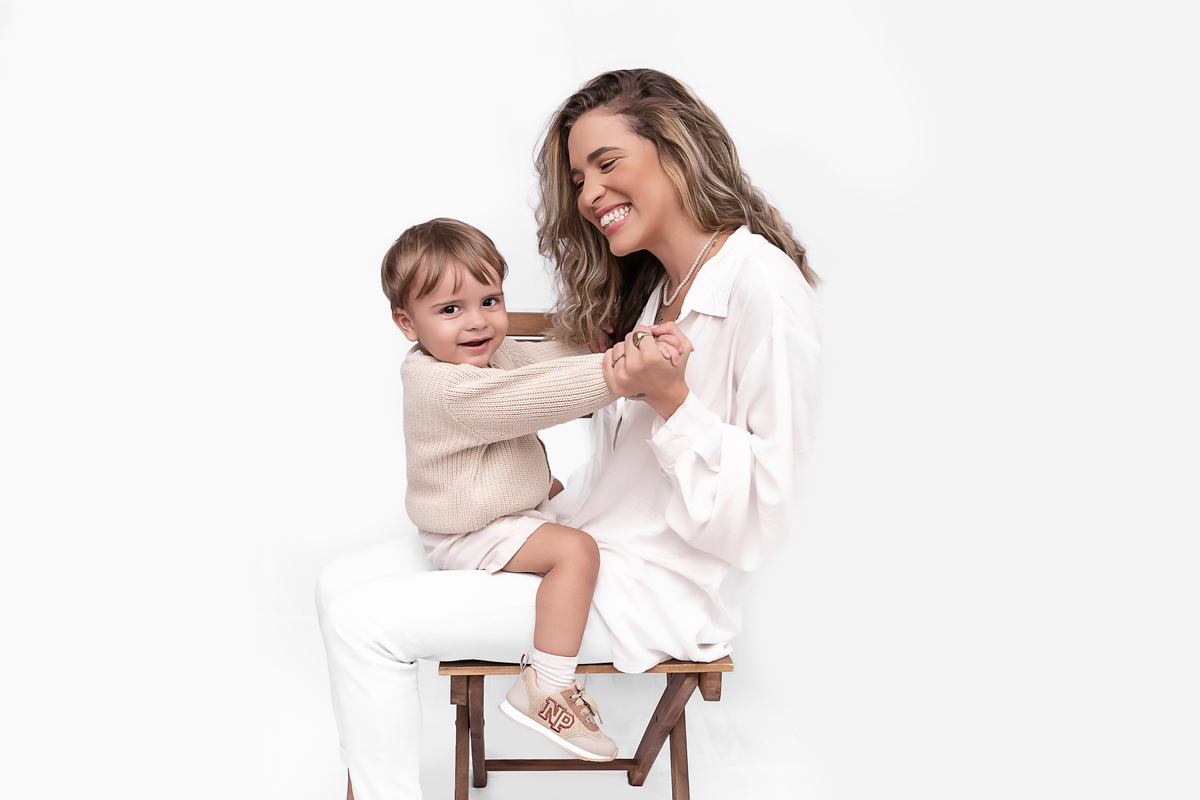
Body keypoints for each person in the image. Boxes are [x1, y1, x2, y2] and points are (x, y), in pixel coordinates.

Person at [316, 69, 821, 800]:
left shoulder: (762, 289)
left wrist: (672, 401)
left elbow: (760, 520)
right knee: (336, 585)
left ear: (677, 151)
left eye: (607, 164)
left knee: (368, 625)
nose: (587, 196)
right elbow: (597, 435)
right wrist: (547, 494)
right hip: (589, 542)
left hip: (648, 589)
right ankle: (368, 781)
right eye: (579, 178)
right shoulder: (659, 291)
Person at [381, 217, 682, 762]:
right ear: (407, 323)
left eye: (490, 301)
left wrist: (607, 345)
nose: (477, 323)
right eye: (450, 310)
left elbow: (539, 362)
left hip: (497, 506)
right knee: (576, 550)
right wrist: (616, 374)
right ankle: (548, 685)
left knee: (567, 495)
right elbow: (527, 397)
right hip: (466, 531)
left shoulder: (484, 353)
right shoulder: (443, 385)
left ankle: (551, 670)